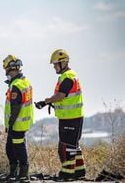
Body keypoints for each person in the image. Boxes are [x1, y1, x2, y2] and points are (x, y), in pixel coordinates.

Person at [35, 49, 86, 181]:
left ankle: (67, 174)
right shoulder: (69, 75)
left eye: (55, 64)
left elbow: (60, 96)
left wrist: (46, 101)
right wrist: (46, 103)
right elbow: (63, 97)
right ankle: (79, 172)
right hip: (72, 116)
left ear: (63, 63)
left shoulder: (68, 77)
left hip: (70, 118)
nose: (54, 67)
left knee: (65, 147)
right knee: (73, 145)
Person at [2, 55, 33, 183]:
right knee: (10, 148)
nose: (5, 73)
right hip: (22, 122)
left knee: (18, 148)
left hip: (17, 124)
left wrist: (10, 124)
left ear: (10, 69)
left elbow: (16, 107)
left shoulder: (16, 85)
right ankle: (14, 173)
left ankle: (24, 175)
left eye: (6, 70)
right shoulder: (24, 81)